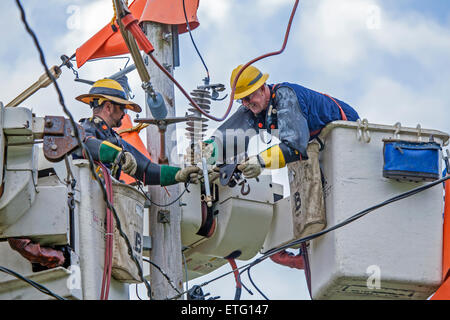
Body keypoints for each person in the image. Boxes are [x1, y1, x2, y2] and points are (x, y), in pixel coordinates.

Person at [202, 64, 360, 269]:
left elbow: (295, 146)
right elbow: (232, 133)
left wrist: (260, 161)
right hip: (316, 149)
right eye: (242, 100)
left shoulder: (285, 96)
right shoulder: (256, 108)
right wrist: (208, 149)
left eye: (249, 97)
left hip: (345, 137)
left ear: (262, 88)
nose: (247, 104)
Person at [74, 78, 201, 186]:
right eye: (122, 108)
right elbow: (85, 145)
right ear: (108, 107)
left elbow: (146, 169)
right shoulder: (86, 129)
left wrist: (178, 174)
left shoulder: (116, 140)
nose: (124, 113)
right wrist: (118, 155)